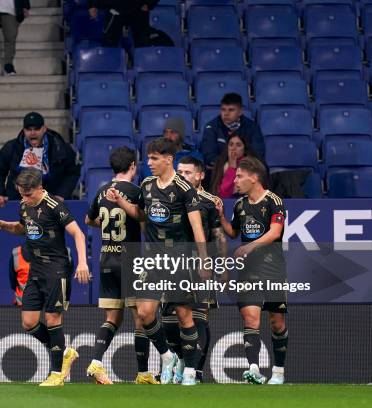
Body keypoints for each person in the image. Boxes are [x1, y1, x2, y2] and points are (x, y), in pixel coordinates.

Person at [107, 138, 210, 386]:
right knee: (144, 313)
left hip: (179, 260)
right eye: (148, 158)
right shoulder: (147, 185)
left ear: (168, 159)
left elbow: (196, 226)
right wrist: (121, 202)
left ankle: (190, 372)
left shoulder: (184, 188)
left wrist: (204, 260)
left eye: (154, 158)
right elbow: (142, 214)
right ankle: (167, 356)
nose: (149, 163)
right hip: (153, 260)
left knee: (185, 316)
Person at [0, 168, 91, 387]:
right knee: (29, 323)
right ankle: (64, 351)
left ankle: (57, 373)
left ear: (40, 188)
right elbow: (22, 229)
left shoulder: (55, 207)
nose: (24, 198)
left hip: (56, 270)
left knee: (52, 320)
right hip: (35, 270)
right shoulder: (24, 205)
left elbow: (77, 232)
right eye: (21, 194)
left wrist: (82, 262)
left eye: (28, 194)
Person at [84, 146, 156, 385]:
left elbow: (88, 220)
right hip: (131, 259)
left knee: (112, 317)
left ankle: (95, 362)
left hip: (107, 258)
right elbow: (143, 217)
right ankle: (143, 373)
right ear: (133, 166)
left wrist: (106, 225)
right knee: (140, 318)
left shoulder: (102, 190)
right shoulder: (136, 192)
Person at [216, 156, 288, 385]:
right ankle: (254, 369)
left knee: (277, 323)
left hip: (273, 269)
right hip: (248, 271)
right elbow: (233, 232)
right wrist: (220, 217)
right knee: (250, 318)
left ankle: (278, 371)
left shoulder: (274, 201)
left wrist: (250, 246)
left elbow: (275, 232)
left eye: (239, 176)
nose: (235, 180)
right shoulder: (239, 205)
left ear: (254, 177)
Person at [176, 155, 227, 383]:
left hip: (200, 265)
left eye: (188, 172)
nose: (183, 176)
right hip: (174, 264)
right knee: (172, 317)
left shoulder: (210, 201)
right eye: (180, 172)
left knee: (199, 316)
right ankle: (178, 365)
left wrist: (223, 267)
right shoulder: (170, 196)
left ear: (200, 175)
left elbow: (218, 236)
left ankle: (195, 370)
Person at [0, 112, 80, 206]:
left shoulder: (60, 147)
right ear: (24, 130)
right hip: (18, 202)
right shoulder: (11, 147)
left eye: (37, 129)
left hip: (50, 202)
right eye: (29, 129)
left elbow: (72, 173)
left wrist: (61, 194)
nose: (33, 133)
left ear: (44, 129)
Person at [201, 93, 265, 168]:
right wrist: (230, 164)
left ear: (240, 111)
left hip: (246, 169)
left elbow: (258, 155)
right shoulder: (211, 127)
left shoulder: (252, 127)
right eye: (223, 109)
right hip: (219, 170)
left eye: (231, 110)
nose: (226, 113)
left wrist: (238, 165)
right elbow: (209, 157)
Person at [88, 1, 172, 48]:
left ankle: (142, 72)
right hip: (114, 9)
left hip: (139, 9)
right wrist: (92, 4)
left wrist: (150, 3)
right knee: (110, 43)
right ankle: (111, 73)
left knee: (142, 42)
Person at [209, 133, 260, 199]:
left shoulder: (252, 165)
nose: (233, 148)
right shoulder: (220, 164)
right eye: (231, 145)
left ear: (245, 148)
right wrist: (231, 167)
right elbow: (223, 194)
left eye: (238, 145)